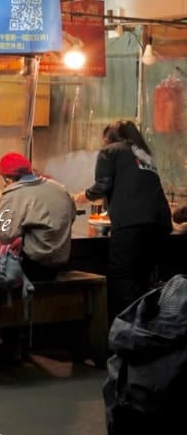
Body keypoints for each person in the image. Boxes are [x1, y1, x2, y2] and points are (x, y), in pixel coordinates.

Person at [74, 119, 172, 323]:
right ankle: (146, 329)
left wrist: (81, 196)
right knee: (144, 279)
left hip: (132, 222)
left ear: (108, 138)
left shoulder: (110, 151)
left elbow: (102, 185)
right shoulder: (144, 153)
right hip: (160, 223)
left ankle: (125, 332)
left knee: (122, 276)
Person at [0, 152, 76, 281]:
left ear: (7, 179)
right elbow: (72, 216)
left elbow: (4, 236)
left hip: (33, 265)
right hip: (61, 261)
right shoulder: (59, 188)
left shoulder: (14, 194)